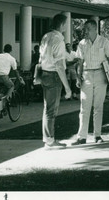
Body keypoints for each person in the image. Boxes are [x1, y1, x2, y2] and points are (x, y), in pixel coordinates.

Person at [71, 19, 109, 145]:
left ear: (95, 29)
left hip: (101, 74)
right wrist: (78, 77)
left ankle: (97, 136)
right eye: (84, 29)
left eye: (88, 29)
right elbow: (79, 62)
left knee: (98, 106)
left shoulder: (104, 41)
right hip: (86, 75)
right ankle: (81, 137)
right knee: (84, 106)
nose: (85, 32)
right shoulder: (81, 43)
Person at [39, 13, 72, 149]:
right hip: (53, 76)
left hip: (45, 74)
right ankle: (50, 141)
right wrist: (68, 88)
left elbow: (42, 58)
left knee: (47, 109)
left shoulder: (46, 36)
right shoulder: (58, 40)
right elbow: (59, 65)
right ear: (62, 25)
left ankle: (48, 139)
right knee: (51, 110)